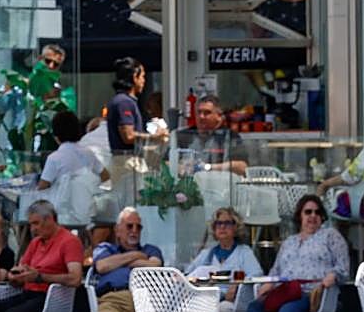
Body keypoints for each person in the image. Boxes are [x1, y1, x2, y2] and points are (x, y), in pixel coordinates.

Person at [234, 195, 349, 312]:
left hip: (313, 293)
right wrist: (267, 284)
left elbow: (343, 267)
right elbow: (276, 270)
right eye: (308, 212)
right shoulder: (289, 241)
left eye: (317, 212)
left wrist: (332, 277)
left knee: (287, 311)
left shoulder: (330, 236)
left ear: (322, 217)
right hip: (285, 290)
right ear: (300, 216)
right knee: (255, 308)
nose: (312, 216)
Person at [182, 208, 263, 312]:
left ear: (235, 227)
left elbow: (256, 275)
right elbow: (188, 275)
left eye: (227, 223)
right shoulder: (207, 254)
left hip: (233, 301)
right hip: (206, 299)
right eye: (219, 223)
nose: (222, 227)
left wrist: (237, 283)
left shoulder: (243, 252)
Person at [105, 58, 166, 204]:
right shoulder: (124, 102)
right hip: (128, 163)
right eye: (143, 76)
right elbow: (128, 136)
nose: (144, 81)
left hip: (127, 161)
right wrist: (155, 136)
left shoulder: (124, 101)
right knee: (131, 205)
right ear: (134, 77)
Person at [174, 95, 248, 176]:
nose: (201, 117)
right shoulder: (184, 135)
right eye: (199, 112)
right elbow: (165, 163)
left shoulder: (229, 136)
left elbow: (242, 167)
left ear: (219, 117)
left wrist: (207, 167)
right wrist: (180, 167)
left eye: (207, 113)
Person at [37, 111, 109, 192]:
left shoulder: (53, 159)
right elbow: (105, 176)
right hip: (87, 201)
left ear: (56, 137)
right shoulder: (89, 154)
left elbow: (42, 187)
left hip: (62, 203)